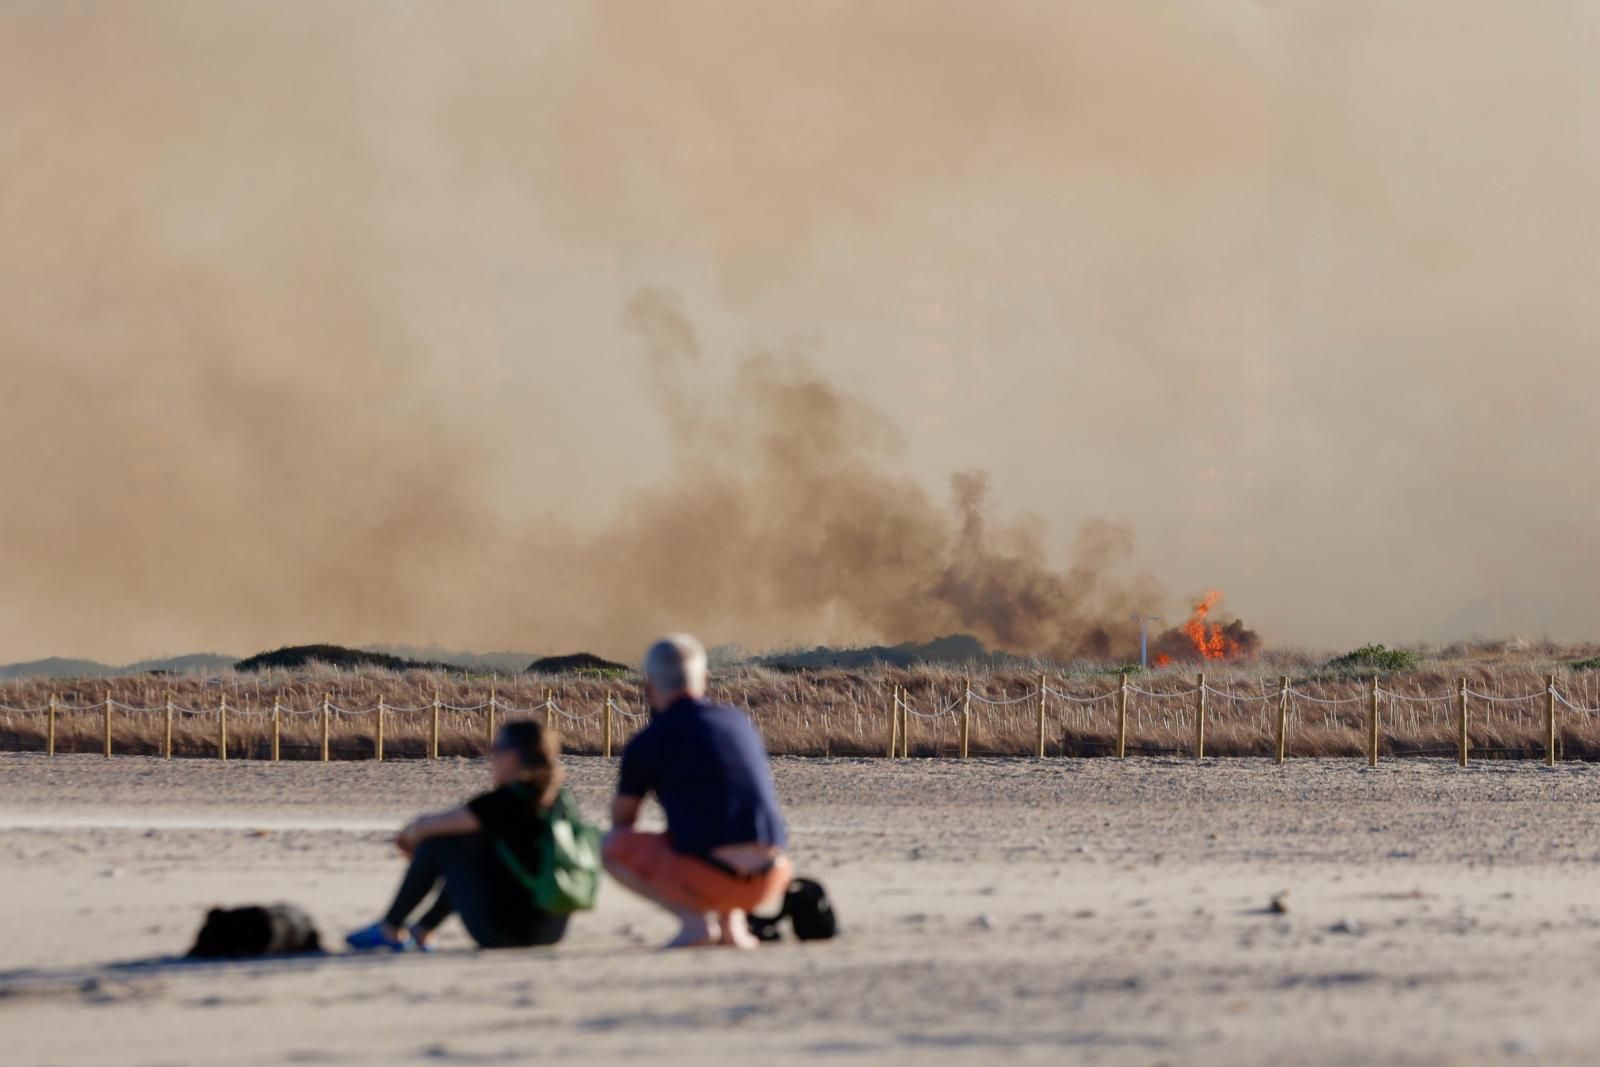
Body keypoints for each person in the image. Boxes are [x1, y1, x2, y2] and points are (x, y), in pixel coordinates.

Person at [603, 633, 791, 948]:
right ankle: (734, 926)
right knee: (718, 831)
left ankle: (696, 924)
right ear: (704, 680)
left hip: (709, 876)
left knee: (612, 846)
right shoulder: (740, 722)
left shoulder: (650, 740)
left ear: (650, 688)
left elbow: (623, 820)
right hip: (774, 875)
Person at [346, 719, 570, 951]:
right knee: (471, 844)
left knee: (442, 843)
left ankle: (390, 927)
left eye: (496, 748)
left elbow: (426, 826)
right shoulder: (561, 801)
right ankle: (423, 930)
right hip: (552, 930)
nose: (491, 755)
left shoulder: (504, 801)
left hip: (503, 933)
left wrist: (408, 837)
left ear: (513, 756)